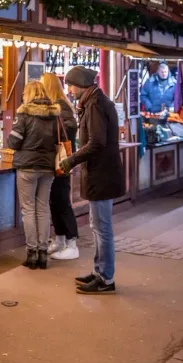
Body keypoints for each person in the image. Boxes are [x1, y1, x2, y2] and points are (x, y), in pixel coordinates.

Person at [60, 66, 124, 295]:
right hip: (99, 173)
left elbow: (97, 142)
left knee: (102, 228)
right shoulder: (93, 102)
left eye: (71, 85)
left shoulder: (96, 105)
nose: (69, 89)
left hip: (102, 174)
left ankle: (105, 278)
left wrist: (71, 160)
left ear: (80, 85)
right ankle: (99, 271)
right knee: (97, 226)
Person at [7, 80, 61, 270]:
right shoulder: (55, 114)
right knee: (43, 208)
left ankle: (32, 253)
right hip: (47, 166)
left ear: (28, 94)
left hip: (27, 166)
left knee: (28, 209)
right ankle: (43, 253)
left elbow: (13, 141)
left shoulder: (24, 113)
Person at [41, 72, 80, 261]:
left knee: (62, 201)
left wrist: (51, 130)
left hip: (61, 160)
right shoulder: (56, 104)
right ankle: (60, 239)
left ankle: (72, 243)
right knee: (54, 201)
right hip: (54, 160)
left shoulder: (60, 106)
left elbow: (70, 128)